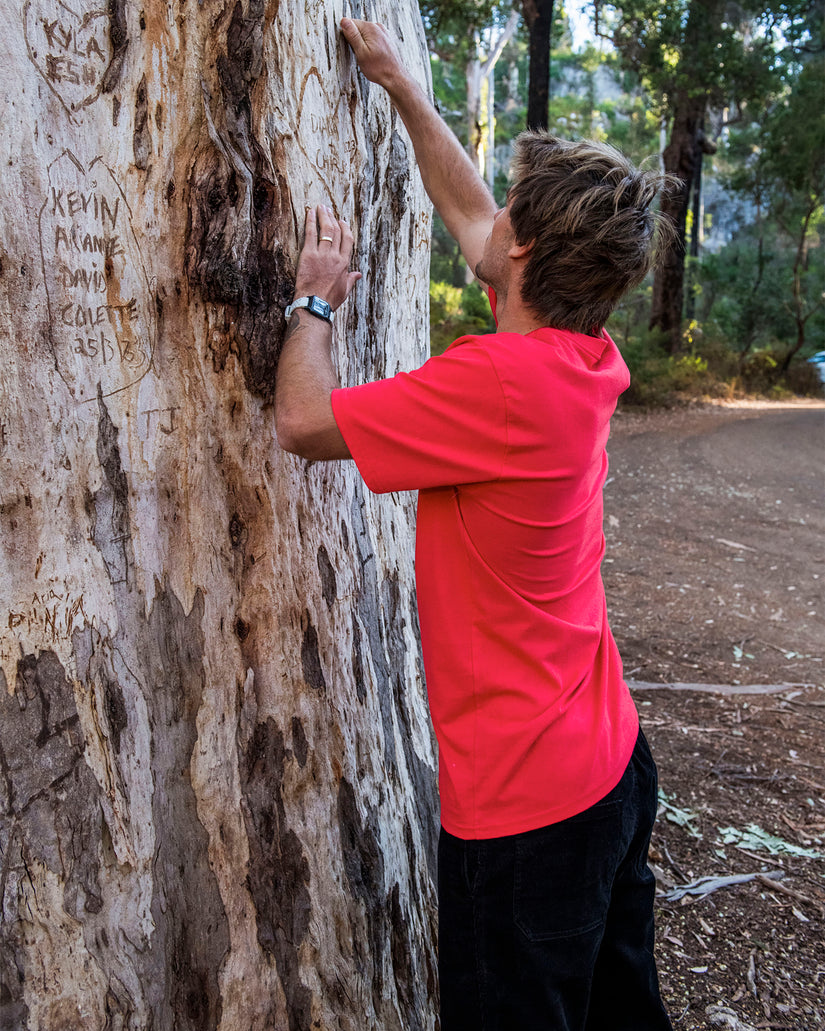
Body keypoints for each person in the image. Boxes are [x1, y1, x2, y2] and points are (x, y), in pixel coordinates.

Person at [275, 17, 675, 1031]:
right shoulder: (582, 357)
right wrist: (404, 89)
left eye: (512, 215)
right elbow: (471, 214)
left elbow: (303, 422)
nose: (489, 216)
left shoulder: (498, 388)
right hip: (611, 769)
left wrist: (313, 306)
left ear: (526, 250)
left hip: (528, 818)